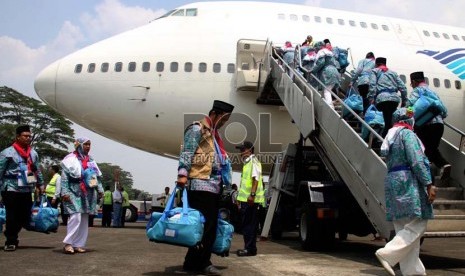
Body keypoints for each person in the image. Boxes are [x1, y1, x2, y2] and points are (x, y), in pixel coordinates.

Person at [375, 107, 435, 276]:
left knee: (404, 230)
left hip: (393, 181)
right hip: (407, 181)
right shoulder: (407, 135)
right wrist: (428, 183)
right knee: (419, 222)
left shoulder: (391, 136)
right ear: (409, 120)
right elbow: (416, 161)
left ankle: (413, 272)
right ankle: (387, 253)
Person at [177, 100, 234, 275]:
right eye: (224, 119)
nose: (224, 123)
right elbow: (187, 151)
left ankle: (193, 262)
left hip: (214, 186)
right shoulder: (197, 129)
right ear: (215, 114)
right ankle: (201, 263)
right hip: (200, 184)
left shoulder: (215, 135)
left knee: (209, 227)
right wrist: (182, 174)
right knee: (203, 227)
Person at [0, 125, 44, 251]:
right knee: (11, 215)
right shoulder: (7, 153)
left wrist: (41, 184)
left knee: (24, 215)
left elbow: (37, 170)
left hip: (26, 188)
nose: (28, 138)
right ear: (18, 137)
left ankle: (13, 233)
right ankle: (11, 240)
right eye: (25, 136)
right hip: (11, 188)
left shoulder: (33, 154)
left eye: (29, 136)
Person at [61, 137, 103, 254]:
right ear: (79, 145)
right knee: (75, 216)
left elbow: (96, 177)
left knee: (84, 217)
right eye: (86, 144)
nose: (88, 147)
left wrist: (100, 189)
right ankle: (68, 243)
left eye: (89, 144)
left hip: (88, 192)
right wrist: (64, 192)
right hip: (73, 190)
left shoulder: (91, 160)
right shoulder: (69, 159)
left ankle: (78, 244)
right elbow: (64, 178)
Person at [407, 71, 451, 180]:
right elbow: (444, 112)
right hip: (439, 126)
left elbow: (409, 106)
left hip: (425, 126)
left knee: (423, 151)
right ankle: (444, 165)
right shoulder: (433, 93)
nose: (411, 85)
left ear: (413, 81)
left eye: (411, 83)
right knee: (432, 148)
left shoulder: (416, 91)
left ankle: (425, 178)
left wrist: (407, 118)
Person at [235, 141, 264, 257]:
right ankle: (249, 248)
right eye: (240, 150)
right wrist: (239, 198)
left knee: (250, 225)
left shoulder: (254, 162)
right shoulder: (247, 163)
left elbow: (255, 180)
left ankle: (250, 249)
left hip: (251, 200)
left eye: (243, 150)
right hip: (245, 200)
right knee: (247, 224)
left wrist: (252, 195)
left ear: (250, 150)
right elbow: (244, 183)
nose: (241, 153)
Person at [367, 57, 407, 137]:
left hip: (382, 99)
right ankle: (390, 137)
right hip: (394, 100)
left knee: (383, 120)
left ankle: (383, 138)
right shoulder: (393, 73)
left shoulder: (375, 71)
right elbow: (403, 88)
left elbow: (372, 85)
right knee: (390, 120)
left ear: (376, 64)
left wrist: (371, 98)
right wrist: (404, 101)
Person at [310, 41, 341, 109]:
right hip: (335, 71)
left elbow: (321, 63)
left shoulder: (322, 52)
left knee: (327, 90)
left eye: (316, 48)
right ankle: (328, 105)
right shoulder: (330, 52)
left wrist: (312, 70)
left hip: (327, 71)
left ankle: (330, 107)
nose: (315, 50)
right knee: (328, 89)